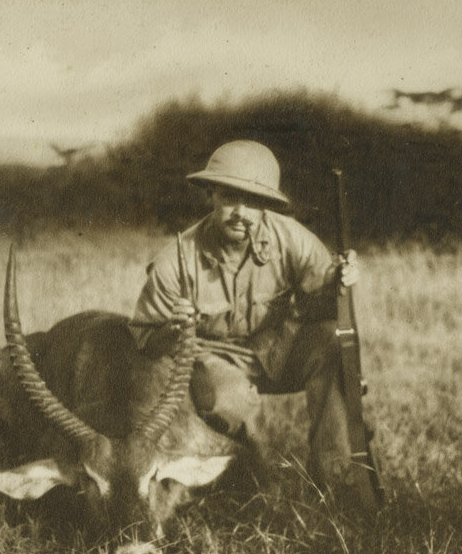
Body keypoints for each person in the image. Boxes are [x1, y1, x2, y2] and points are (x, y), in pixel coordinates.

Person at [128, 139, 373, 505]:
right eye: (229, 197)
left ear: (266, 207)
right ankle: (258, 484)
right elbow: (143, 336)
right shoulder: (175, 260)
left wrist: (342, 282)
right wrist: (173, 330)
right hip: (212, 360)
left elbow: (325, 310)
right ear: (210, 195)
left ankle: (336, 483)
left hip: (276, 349)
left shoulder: (292, 239)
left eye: (254, 202)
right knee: (232, 398)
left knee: (333, 347)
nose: (241, 212)